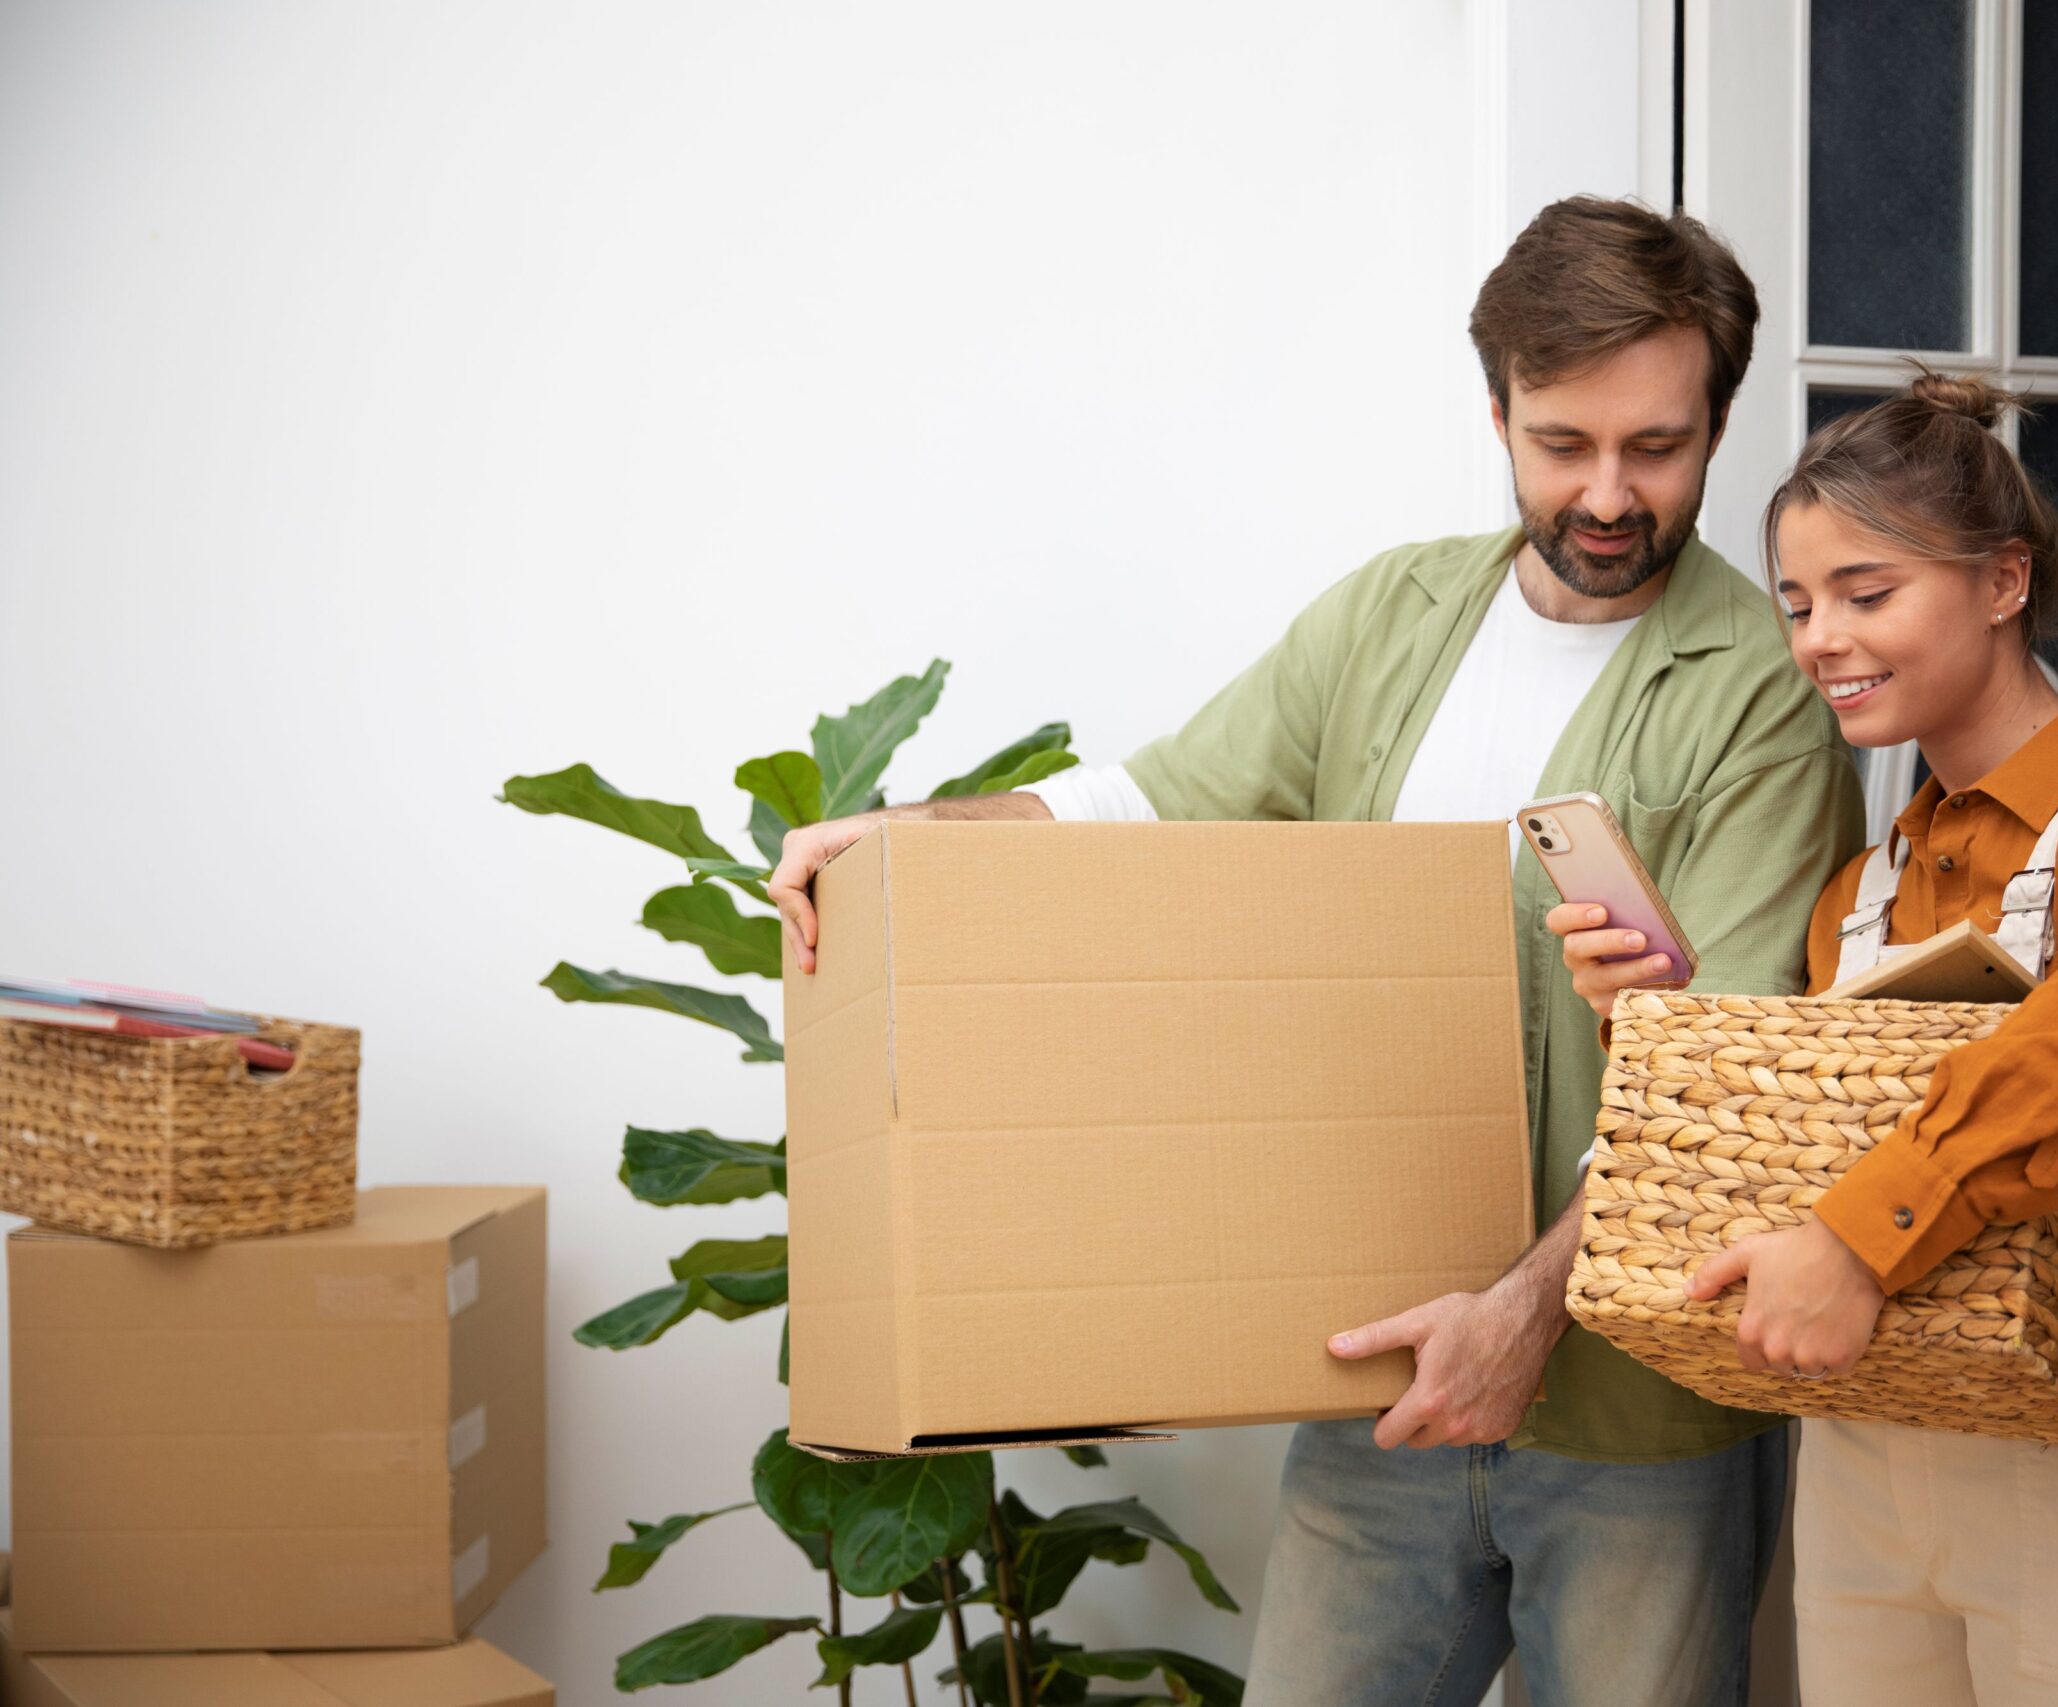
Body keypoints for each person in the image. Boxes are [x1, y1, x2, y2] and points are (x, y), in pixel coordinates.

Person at [768, 196, 1866, 1704]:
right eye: (1563, 443)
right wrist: (903, 837)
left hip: (1636, 1425)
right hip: (1376, 1388)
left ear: (1719, 428)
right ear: (1497, 413)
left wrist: (1521, 1318)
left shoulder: (1764, 695)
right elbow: (1153, 801)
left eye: (1657, 448)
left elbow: (1723, 1093)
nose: (1608, 494)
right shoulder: (1394, 614)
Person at [1556, 370, 2058, 1704]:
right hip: (1863, 1447)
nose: (1821, 639)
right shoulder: (1863, 889)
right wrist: (1664, 1033)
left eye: (1868, 593)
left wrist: (1865, 1234)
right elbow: (1813, 1148)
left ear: (2004, 581)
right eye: (1799, 603)